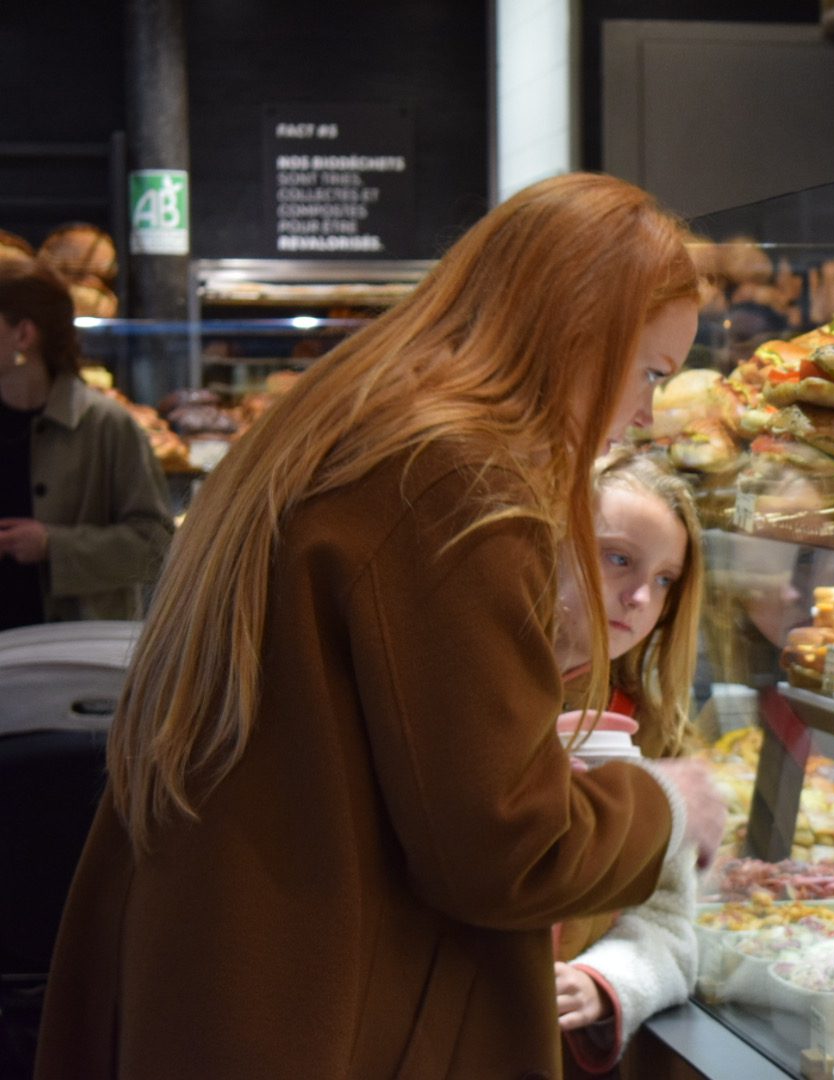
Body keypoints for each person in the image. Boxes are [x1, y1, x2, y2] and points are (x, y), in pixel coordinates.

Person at [34, 173, 727, 1080]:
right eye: (651, 374)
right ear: (580, 331)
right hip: (317, 1002)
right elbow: (503, 848)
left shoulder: (354, 418)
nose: (644, 415)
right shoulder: (460, 474)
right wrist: (667, 804)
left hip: (230, 960)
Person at [549, 449, 706, 1078]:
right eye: (618, 558)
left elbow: (670, 923)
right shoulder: (475, 697)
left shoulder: (651, 731)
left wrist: (603, 979)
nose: (640, 596)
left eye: (666, 579)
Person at [0, 258, 172, 628]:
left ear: (23, 336)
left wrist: (54, 546)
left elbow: (156, 547)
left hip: (75, 648)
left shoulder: (107, 425)